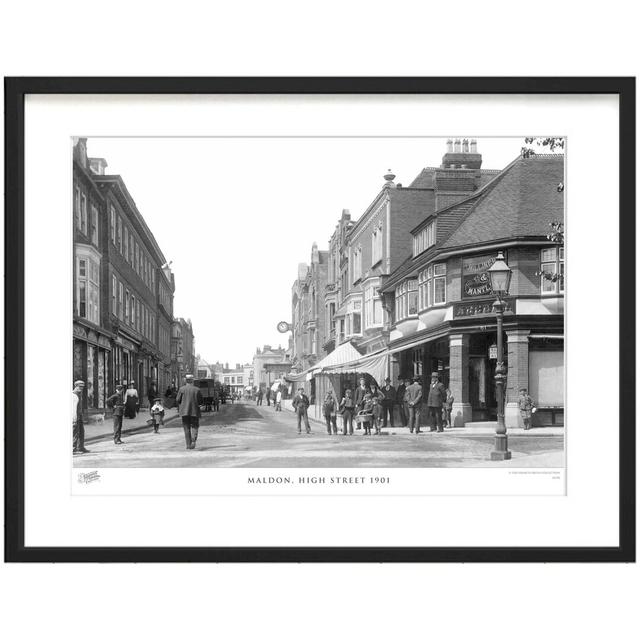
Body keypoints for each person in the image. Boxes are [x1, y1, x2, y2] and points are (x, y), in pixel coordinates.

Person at [176, 374, 203, 450]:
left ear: (185, 381)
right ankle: (193, 440)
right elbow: (201, 401)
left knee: (186, 428)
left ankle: (188, 445)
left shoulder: (182, 389)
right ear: (192, 381)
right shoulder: (197, 389)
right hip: (195, 411)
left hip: (184, 412)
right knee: (194, 426)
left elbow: (178, 400)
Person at [72, 380, 90, 454]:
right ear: (76, 386)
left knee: (81, 432)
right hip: (75, 416)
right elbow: (73, 408)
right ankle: (73, 448)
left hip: (79, 416)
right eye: (80, 386)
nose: (81, 388)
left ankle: (80, 447)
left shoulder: (79, 394)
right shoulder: (73, 395)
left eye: (82, 387)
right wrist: (74, 418)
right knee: (75, 433)